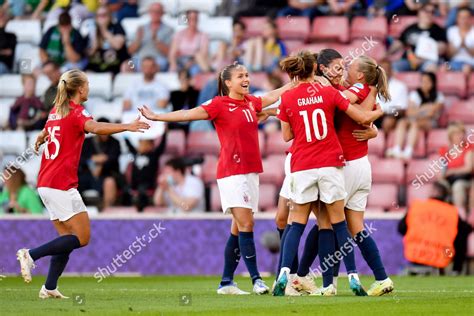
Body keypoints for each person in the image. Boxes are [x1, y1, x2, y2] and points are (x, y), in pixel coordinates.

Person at [139, 62, 294, 295]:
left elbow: (272, 95)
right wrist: (157, 117)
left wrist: (295, 83)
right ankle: (256, 279)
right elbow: (187, 114)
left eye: (247, 74)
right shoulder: (219, 104)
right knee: (246, 224)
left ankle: (226, 283)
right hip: (232, 171)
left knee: (237, 228)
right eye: (240, 76)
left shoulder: (251, 102)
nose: (246, 78)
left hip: (251, 171)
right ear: (228, 82)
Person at [16, 69, 149, 299]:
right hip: (60, 183)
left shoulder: (56, 110)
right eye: (86, 84)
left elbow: (49, 130)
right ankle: (31, 255)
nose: (88, 88)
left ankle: (49, 287)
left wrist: (40, 136)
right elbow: (96, 128)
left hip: (46, 182)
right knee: (82, 237)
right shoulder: (77, 112)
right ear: (79, 89)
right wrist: (127, 126)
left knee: (66, 239)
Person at [273, 51, 383, 296]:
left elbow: (286, 136)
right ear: (317, 70)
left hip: (302, 163)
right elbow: (361, 116)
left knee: (296, 223)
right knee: (338, 224)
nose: (340, 71)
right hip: (331, 162)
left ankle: (285, 275)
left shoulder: (288, 97)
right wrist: (378, 115)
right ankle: (348, 279)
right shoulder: (330, 93)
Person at [398, 181, 473, 275]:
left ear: (431, 192)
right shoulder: (451, 212)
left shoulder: (417, 207)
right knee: (460, 236)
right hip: (441, 257)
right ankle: (456, 270)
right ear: (446, 195)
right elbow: (465, 230)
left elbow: (401, 229)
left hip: (414, 254)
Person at [386, 71, 444, 160]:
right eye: (422, 81)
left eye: (427, 81)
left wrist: (417, 110)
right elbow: (409, 112)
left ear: (433, 83)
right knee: (402, 122)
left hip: (430, 122)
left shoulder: (439, 96)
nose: (424, 84)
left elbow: (431, 113)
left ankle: (409, 151)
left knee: (415, 123)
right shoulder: (415, 94)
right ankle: (397, 149)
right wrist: (425, 108)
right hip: (414, 119)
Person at [386, 3, 447, 72]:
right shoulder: (410, 28)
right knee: (393, 67)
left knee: (432, 68)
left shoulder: (438, 30)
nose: (429, 14)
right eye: (426, 11)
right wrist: (386, 54)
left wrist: (422, 58)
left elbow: (443, 48)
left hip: (427, 61)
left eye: (432, 12)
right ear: (419, 12)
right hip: (409, 60)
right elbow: (399, 43)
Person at [78, 118, 122, 209]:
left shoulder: (115, 143)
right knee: (73, 182)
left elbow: (113, 160)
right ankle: (75, 212)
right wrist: (93, 160)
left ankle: (107, 210)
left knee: (109, 182)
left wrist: (101, 165)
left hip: (106, 174)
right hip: (87, 174)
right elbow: (80, 159)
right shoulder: (87, 142)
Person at [125, 132, 167, 212]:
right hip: (135, 183)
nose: (140, 146)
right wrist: (124, 129)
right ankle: (127, 209)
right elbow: (128, 144)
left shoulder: (154, 155)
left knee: (142, 190)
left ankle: (141, 209)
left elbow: (162, 145)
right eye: (140, 144)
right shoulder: (135, 154)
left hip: (148, 183)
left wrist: (164, 132)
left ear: (150, 145)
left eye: (143, 144)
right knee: (126, 190)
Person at [125, 2, 173, 72]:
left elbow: (169, 52)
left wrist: (156, 40)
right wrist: (138, 40)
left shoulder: (169, 30)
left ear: (162, 13)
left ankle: (150, 81)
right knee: (127, 65)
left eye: (158, 12)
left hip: (158, 59)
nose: (155, 14)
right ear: (149, 13)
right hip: (139, 59)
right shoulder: (141, 28)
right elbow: (130, 51)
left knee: (152, 66)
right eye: (153, 11)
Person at [438, 121, 473, 211]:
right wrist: (441, 175)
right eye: (457, 133)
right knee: (439, 186)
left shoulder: (469, 148)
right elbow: (441, 169)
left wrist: (452, 171)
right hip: (449, 179)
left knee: (458, 186)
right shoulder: (444, 151)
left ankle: (459, 214)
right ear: (451, 136)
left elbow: (468, 168)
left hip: (466, 180)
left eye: (462, 133)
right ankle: (441, 213)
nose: (460, 136)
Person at [86, 5, 128, 75]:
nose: (102, 18)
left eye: (104, 15)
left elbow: (118, 45)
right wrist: (95, 43)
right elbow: (88, 53)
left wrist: (103, 29)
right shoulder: (92, 30)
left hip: (115, 64)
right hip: (96, 64)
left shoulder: (117, 27)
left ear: (110, 16)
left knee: (126, 66)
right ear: (96, 18)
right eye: (99, 15)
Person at [168, 10, 210, 76]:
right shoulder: (179, 34)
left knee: (195, 70)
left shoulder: (203, 35)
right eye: (191, 18)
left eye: (195, 19)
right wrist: (173, 64)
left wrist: (191, 63)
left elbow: (203, 54)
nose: (193, 21)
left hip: (195, 62)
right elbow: (172, 54)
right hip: (180, 61)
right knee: (173, 70)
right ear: (187, 19)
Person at [377, 59, 409, 134]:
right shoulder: (372, 86)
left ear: (391, 70)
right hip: (374, 116)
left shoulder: (400, 86)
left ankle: (385, 144)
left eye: (387, 68)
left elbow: (401, 110)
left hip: (392, 116)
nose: (385, 71)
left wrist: (386, 112)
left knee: (388, 121)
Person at [446, 7, 474, 75]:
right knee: (444, 67)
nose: (463, 20)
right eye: (461, 17)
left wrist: (465, 46)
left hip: (470, 62)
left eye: (466, 17)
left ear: (470, 18)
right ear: (457, 18)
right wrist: (459, 47)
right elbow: (449, 55)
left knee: (466, 68)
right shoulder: (451, 31)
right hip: (454, 61)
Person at [0, 7, 16, 74]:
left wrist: (1, 28)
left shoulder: (11, 36)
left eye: (2, 16)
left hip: (3, 65)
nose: (1, 18)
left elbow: (9, 52)